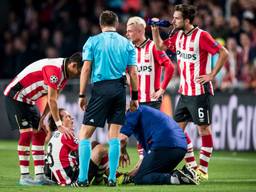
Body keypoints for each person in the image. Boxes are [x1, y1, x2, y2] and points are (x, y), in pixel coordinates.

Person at [151, 4, 229, 181]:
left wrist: (211, 74)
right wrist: (155, 30)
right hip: (184, 93)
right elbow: (160, 47)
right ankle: (192, 166)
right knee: (177, 132)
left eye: (177, 18)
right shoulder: (177, 35)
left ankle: (203, 169)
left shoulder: (202, 36)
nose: (173, 20)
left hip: (199, 91)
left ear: (187, 20)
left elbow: (224, 53)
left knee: (203, 129)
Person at [74, 10, 138, 187]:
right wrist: (135, 97)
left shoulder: (92, 42)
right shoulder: (127, 43)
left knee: (85, 135)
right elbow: (133, 72)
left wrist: (81, 94)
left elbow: (86, 69)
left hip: (101, 89)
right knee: (114, 136)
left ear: (101, 24)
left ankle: (82, 179)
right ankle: (111, 179)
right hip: (119, 89)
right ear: (116, 24)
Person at [3, 52, 83, 185]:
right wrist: (59, 124)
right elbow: (52, 100)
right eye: (79, 72)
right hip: (15, 95)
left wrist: (44, 117)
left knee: (40, 133)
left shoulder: (64, 75)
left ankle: (39, 176)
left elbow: (53, 98)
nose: (79, 75)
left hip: (29, 100)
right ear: (73, 65)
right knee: (27, 133)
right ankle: (24, 176)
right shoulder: (55, 70)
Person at [126, 16, 175, 159]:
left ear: (140, 31)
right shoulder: (130, 50)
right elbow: (123, 70)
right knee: (140, 134)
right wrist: (127, 78)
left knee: (149, 133)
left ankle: (151, 162)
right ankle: (143, 162)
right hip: (136, 100)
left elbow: (170, 67)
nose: (127, 34)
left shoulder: (153, 46)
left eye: (130, 31)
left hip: (151, 99)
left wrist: (162, 88)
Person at [118, 105, 199, 185]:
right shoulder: (146, 116)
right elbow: (145, 161)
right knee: (152, 173)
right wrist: (129, 175)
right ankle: (184, 174)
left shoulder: (131, 112)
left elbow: (122, 139)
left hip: (165, 145)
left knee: (140, 178)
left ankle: (177, 178)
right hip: (180, 148)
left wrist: (123, 152)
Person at [45, 109, 109, 186]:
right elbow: (83, 152)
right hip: (73, 178)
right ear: (60, 122)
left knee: (94, 144)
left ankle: (111, 174)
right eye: (67, 117)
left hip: (61, 178)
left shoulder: (54, 137)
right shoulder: (66, 135)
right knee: (100, 150)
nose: (72, 119)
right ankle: (100, 179)